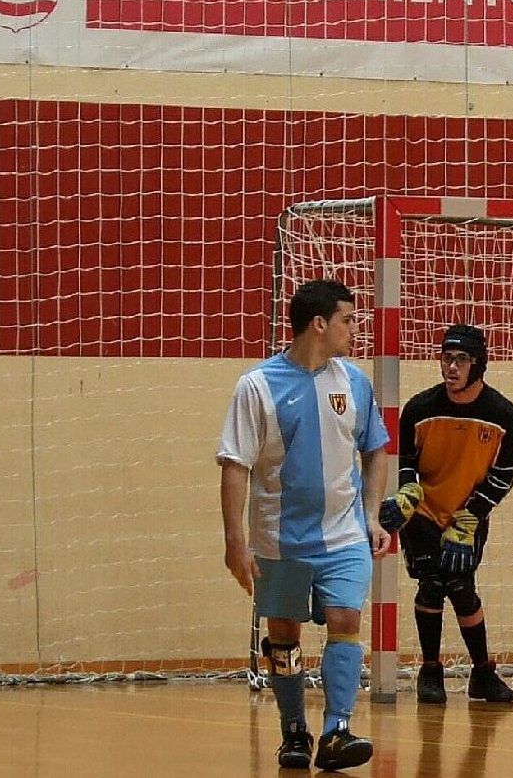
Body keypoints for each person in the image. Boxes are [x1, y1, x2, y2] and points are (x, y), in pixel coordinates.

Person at [217, 279, 390, 772]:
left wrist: (372, 515)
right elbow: (235, 464)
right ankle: (293, 728)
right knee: (285, 638)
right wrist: (235, 541)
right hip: (280, 540)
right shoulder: (257, 386)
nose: (356, 329)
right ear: (320, 324)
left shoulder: (354, 382)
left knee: (345, 623)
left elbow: (375, 448)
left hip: (344, 536)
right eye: (349, 320)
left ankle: (337, 729)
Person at [377, 324, 513, 705]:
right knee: (432, 586)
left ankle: (482, 674)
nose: (451, 367)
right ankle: (430, 670)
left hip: (468, 514)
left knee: (461, 587)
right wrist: (407, 493)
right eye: (446, 358)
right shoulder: (419, 409)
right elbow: (406, 464)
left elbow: (502, 478)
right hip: (424, 511)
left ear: (479, 364)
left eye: (461, 360)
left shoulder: (503, 414)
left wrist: (469, 518)